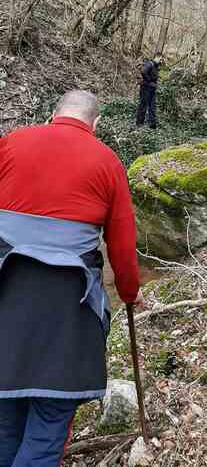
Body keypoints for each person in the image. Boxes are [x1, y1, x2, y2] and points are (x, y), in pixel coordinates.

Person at [0, 89, 143, 467]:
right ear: (96, 124)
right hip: (68, 314)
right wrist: (130, 293)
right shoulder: (107, 161)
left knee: (5, 420)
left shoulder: (10, 144)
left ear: (53, 114)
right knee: (47, 429)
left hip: (6, 303)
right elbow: (122, 245)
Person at [136, 55, 161, 130]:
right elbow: (143, 71)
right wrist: (149, 80)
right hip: (146, 88)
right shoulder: (150, 64)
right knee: (143, 105)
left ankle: (152, 125)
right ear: (156, 57)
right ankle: (139, 123)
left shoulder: (156, 66)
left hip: (152, 88)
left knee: (152, 106)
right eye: (160, 58)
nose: (161, 60)